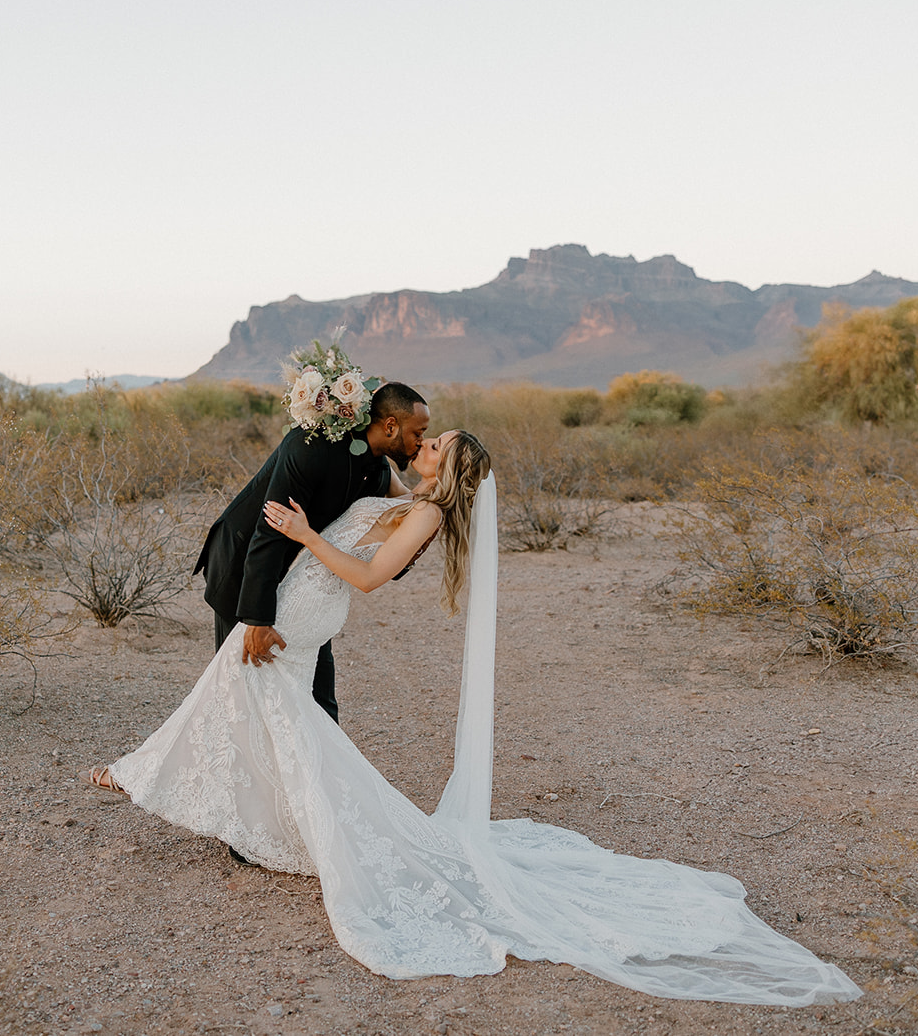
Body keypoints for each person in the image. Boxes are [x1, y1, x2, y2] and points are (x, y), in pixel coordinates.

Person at [90, 431, 861, 1005]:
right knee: (259, 699)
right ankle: (197, 791)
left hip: (316, 601)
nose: (425, 443)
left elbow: (368, 576)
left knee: (254, 692)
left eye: (438, 444)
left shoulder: (424, 515)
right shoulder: (407, 492)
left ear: (451, 470)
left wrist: (302, 535)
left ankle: (144, 775)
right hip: (302, 602)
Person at [192, 381, 430, 723]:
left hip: (304, 586)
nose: (421, 441)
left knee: (318, 693)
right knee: (241, 683)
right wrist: (257, 618)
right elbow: (269, 529)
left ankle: (320, 772)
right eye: (418, 432)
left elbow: (408, 515)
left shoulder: (378, 469)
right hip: (245, 566)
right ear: (391, 425)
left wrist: (446, 493)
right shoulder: (312, 445)